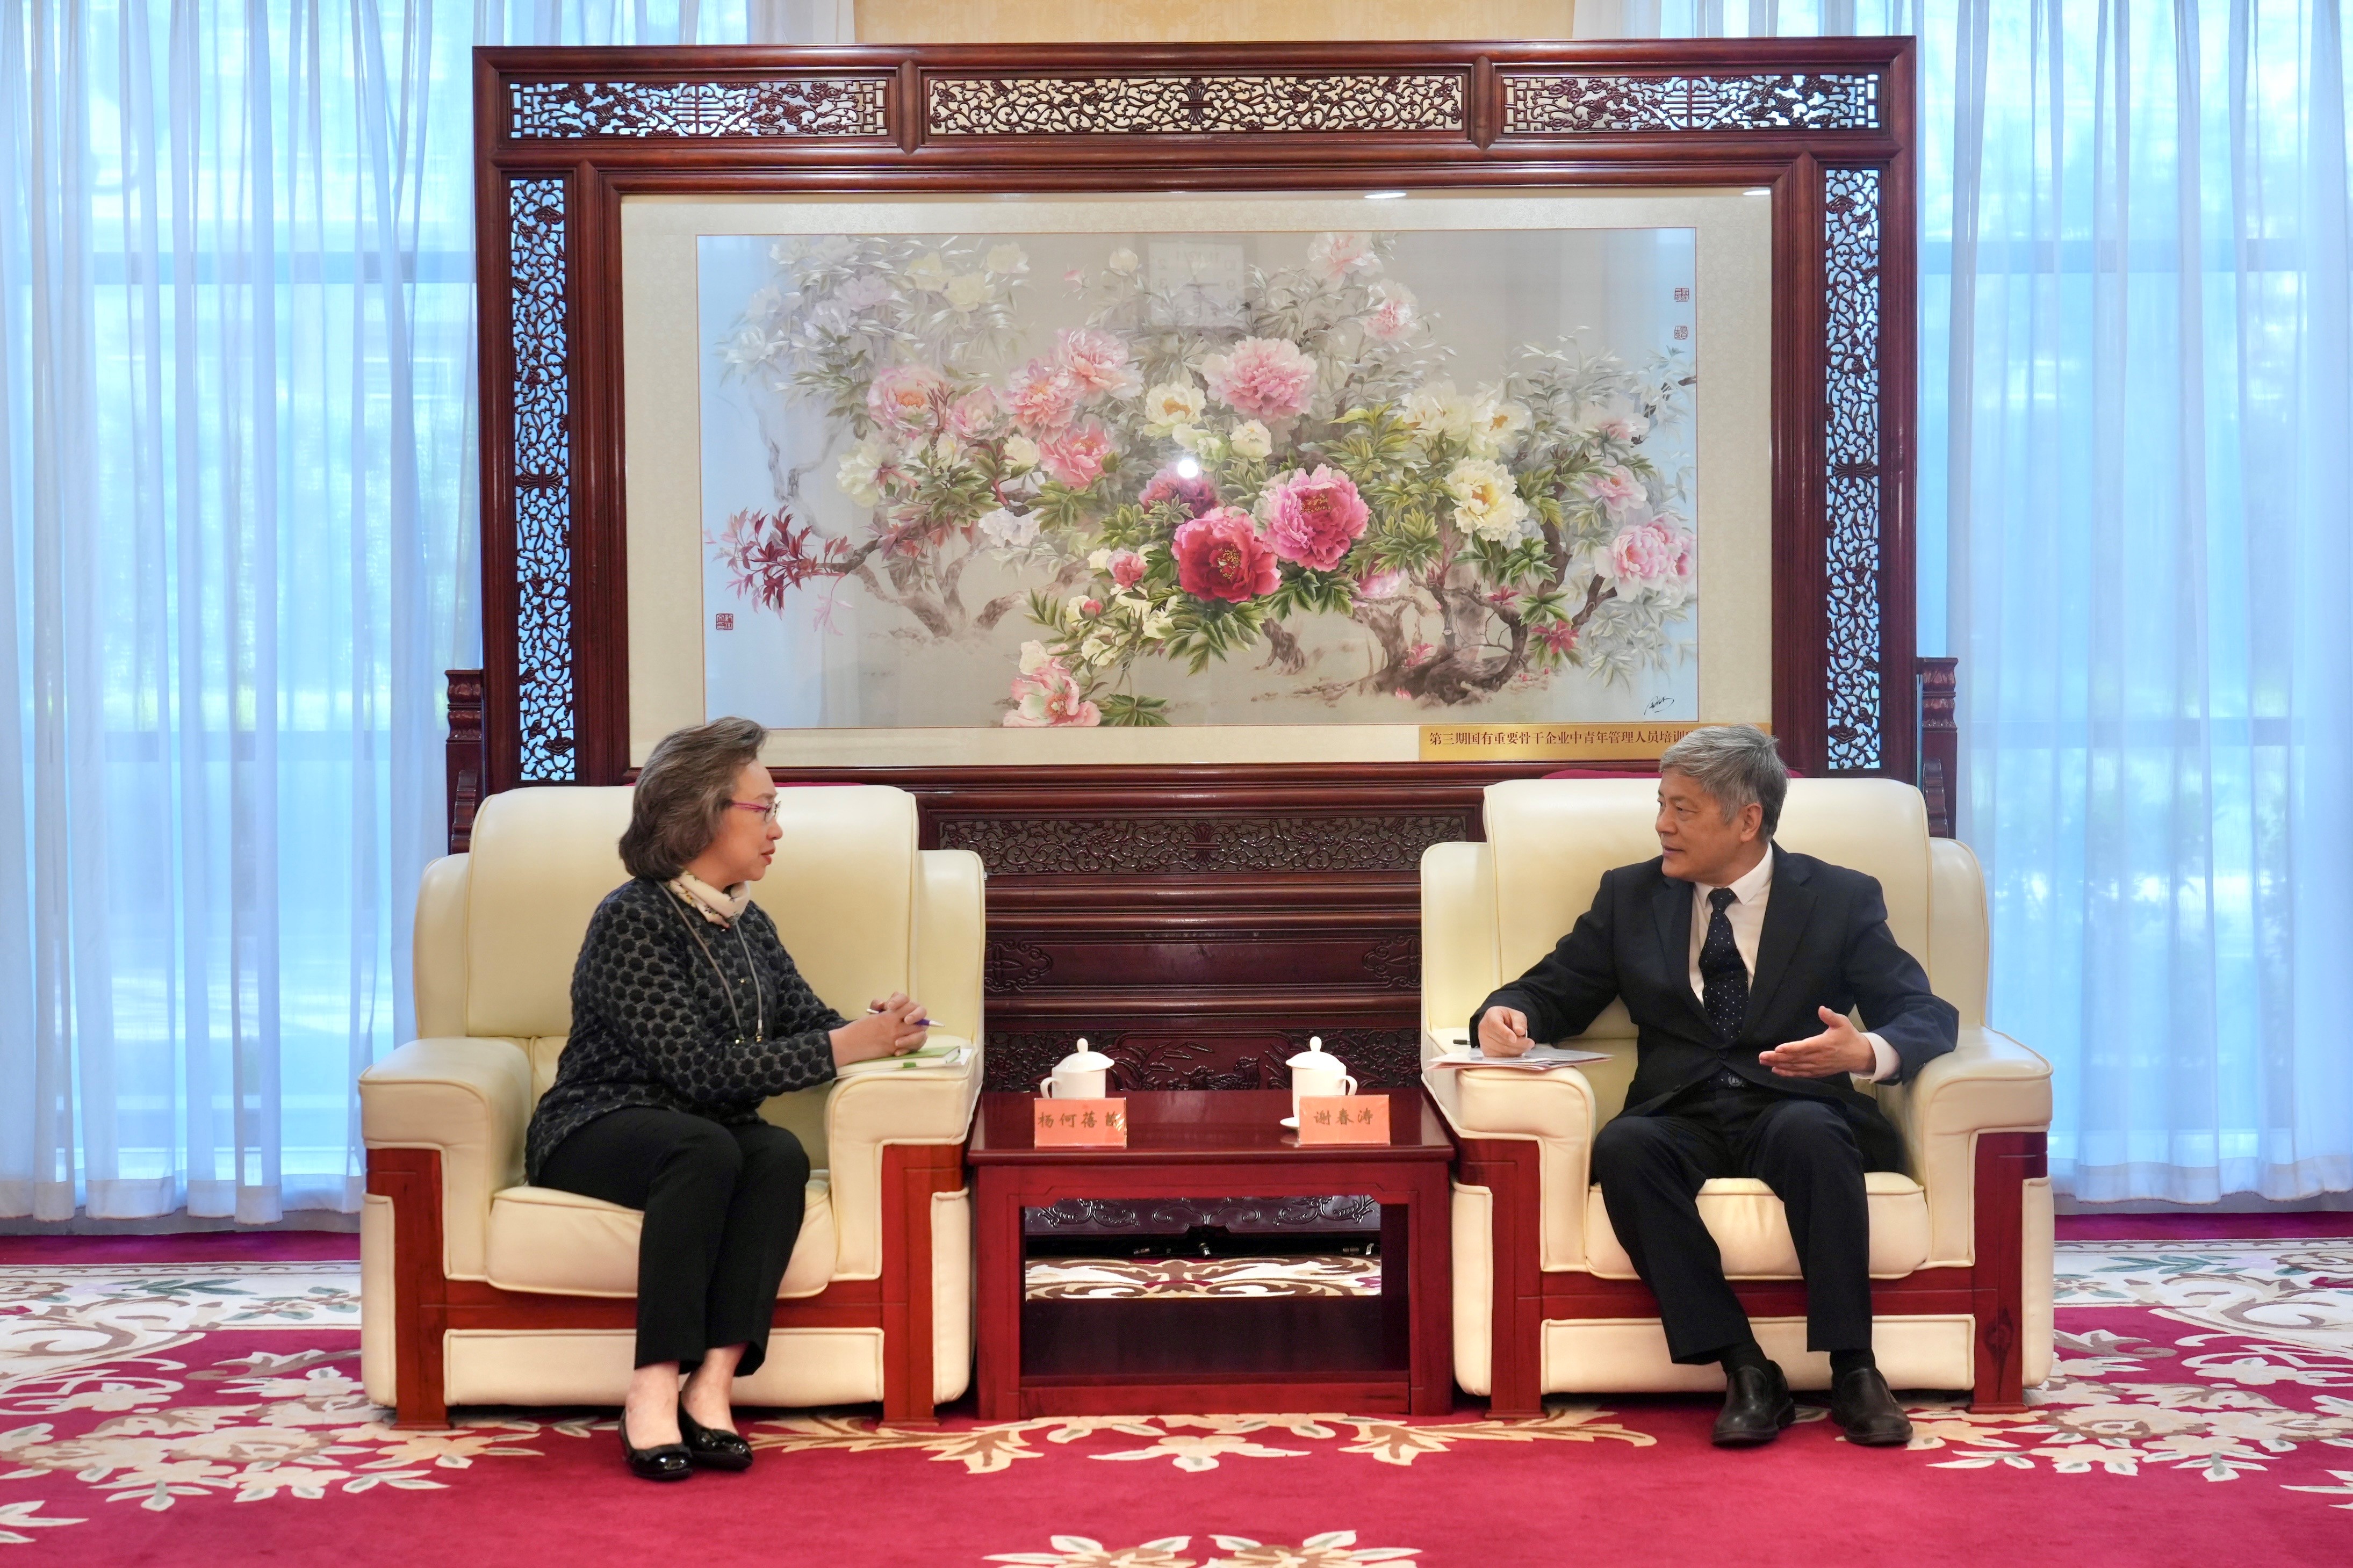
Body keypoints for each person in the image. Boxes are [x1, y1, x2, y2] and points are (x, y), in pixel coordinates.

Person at [1472, 725, 1954, 1449]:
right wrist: (1505, 1014)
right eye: (1661, 805)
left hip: (1792, 1101)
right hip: (1679, 1110)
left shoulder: (1839, 897)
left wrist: (1866, 1051)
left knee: (1814, 1135)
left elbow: (1925, 1014)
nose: (1662, 825)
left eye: (1683, 809)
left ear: (1747, 819)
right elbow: (1554, 989)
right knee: (1626, 1149)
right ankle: (1745, 1366)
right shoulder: (1630, 896)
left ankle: (1855, 1368)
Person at [525, 717, 932, 1481]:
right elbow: (699, 1070)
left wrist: (883, 1030)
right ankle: (651, 1388)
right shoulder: (633, 918)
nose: (778, 829)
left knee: (776, 1152)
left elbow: (811, 1025)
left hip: (698, 1133)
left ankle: (711, 1383)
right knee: (705, 1145)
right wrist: (847, 1045)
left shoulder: (748, 921)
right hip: (595, 1126)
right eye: (765, 809)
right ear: (704, 814)